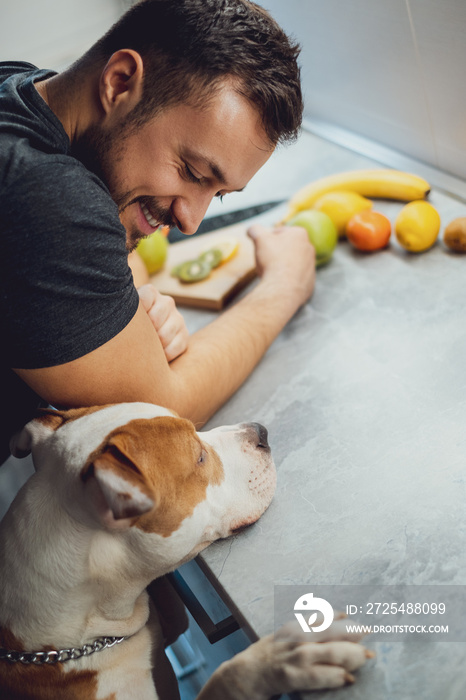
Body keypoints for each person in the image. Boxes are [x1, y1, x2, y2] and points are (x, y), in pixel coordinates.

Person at [0, 0, 315, 464]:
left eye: (220, 194)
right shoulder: (43, 193)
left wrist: (131, 303)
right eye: (191, 170)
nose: (191, 220)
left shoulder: (22, 87)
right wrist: (284, 286)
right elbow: (161, 410)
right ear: (120, 82)